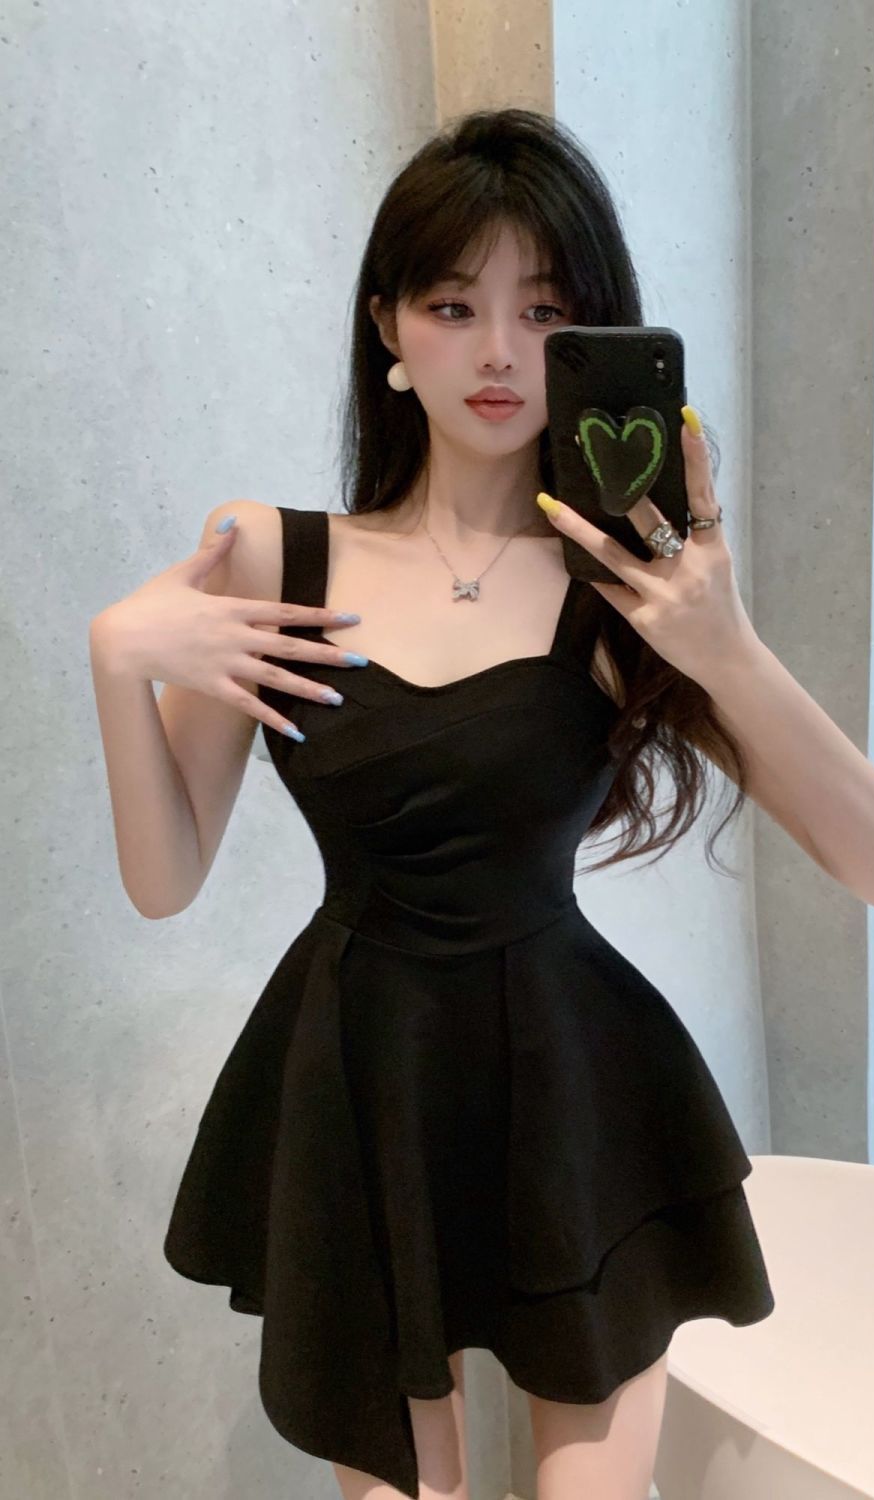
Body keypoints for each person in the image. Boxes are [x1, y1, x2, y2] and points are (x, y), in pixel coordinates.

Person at [88, 107, 776, 1500]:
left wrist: (725, 632)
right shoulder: (270, 556)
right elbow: (163, 883)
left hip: (575, 1079)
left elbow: (864, 840)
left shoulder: (633, 584)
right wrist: (117, 660)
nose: (499, 350)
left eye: (545, 310)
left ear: (589, 336)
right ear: (388, 329)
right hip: (359, 1074)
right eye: (455, 306)